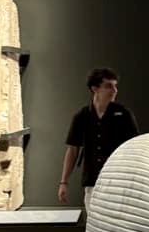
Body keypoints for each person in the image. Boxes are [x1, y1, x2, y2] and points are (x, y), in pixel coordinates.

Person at [58, 67, 138, 212]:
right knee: (94, 220)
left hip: (118, 180)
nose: (114, 90)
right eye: (108, 86)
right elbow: (72, 150)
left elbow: (135, 147)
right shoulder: (82, 116)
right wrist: (64, 182)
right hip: (92, 180)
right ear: (95, 89)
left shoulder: (124, 114)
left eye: (115, 86)